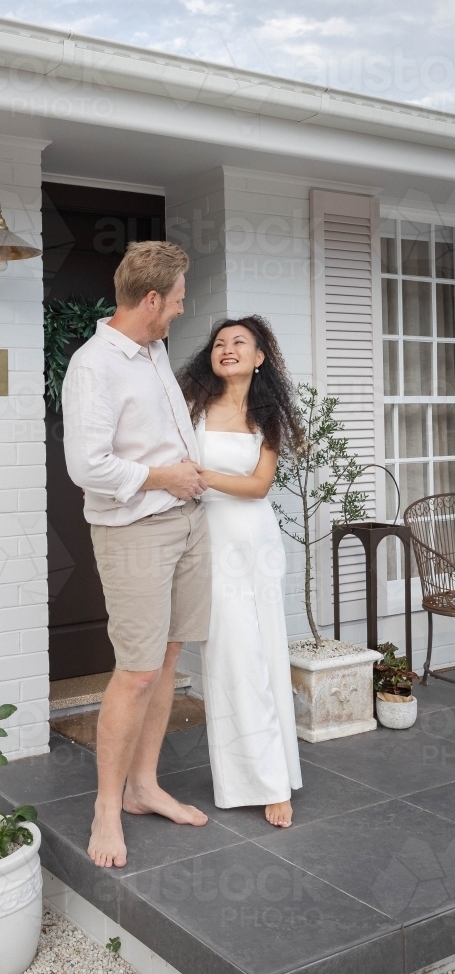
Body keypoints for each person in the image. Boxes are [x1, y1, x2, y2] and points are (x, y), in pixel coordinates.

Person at [62, 241, 212, 869]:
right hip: (136, 531)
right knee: (137, 670)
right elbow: (86, 467)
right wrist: (165, 478)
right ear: (152, 299)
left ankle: (144, 788)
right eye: (177, 300)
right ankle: (106, 808)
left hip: (188, 522)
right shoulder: (94, 365)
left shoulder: (153, 352)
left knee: (170, 654)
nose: (181, 310)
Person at [178, 316, 303, 828]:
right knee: (232, 660)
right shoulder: (192, 407)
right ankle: (249, 778)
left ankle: (275, 778)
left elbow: (258, 487)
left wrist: (203, 476)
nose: (226, 348)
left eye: (239, 343)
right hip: (210, 542)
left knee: (265, 653)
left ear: (259, 358)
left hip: (256, 543)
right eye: (219, 343)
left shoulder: (266, 414)